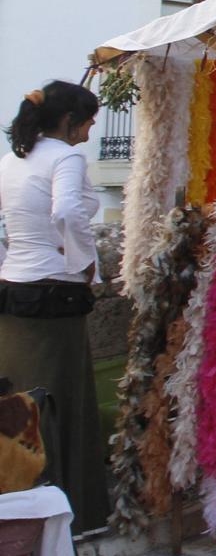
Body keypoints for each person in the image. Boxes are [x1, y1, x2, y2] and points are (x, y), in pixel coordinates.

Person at [0, 82, 108, 531]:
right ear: (68, 121)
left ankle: (15, 496)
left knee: (17, 402)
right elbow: (67, 212)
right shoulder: (65, 157)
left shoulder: (12, 160)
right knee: (60, 401)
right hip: (53, 291)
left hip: (14, 292)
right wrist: (84, 263)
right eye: (87, 122)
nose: (89, 132)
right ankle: (69, 509)